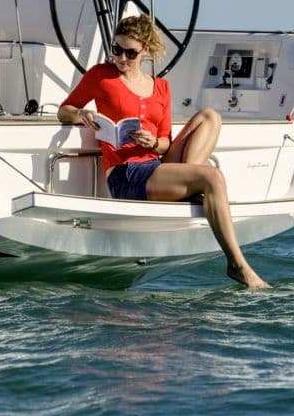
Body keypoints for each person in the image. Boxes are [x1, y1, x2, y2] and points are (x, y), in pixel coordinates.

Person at [58, 15, 269, 289]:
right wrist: (81, 114)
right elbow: (64, 110)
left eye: (130, 53)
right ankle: (237, 265)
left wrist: (152, 143)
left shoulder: (161, 87)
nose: (121, 58)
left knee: (210, 116)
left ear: (145, 50)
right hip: (125, 174)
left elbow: (165, 143)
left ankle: (192, 189)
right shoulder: (101, 75)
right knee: (212, 177)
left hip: (154, 164)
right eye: (116, 49)